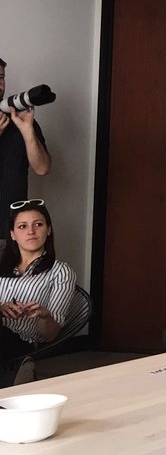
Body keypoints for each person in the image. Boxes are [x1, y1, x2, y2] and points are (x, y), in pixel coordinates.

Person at [1, 199, 76, 386]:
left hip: (22, 343)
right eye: (22, 226)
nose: (31, 231)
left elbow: (51, 335)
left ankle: (14, 372)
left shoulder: (60, 271)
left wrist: (44, 315)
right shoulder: (2, 267)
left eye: (38, 224)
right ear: (12, 234)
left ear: (48, 230)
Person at [0, 58, 52, 246]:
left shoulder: (18, 118)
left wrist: (27, 129)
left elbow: (42, 168)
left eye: (1, 77)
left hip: (13, 231)